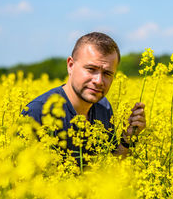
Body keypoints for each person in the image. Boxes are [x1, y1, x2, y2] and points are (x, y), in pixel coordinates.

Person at [22, 32, 146, 160]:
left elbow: (110, 167)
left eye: (107, 73)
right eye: (91, 69)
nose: (98, 81)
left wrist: (127, 138)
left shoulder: (104, 108)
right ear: (70, 65)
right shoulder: (36, 113)